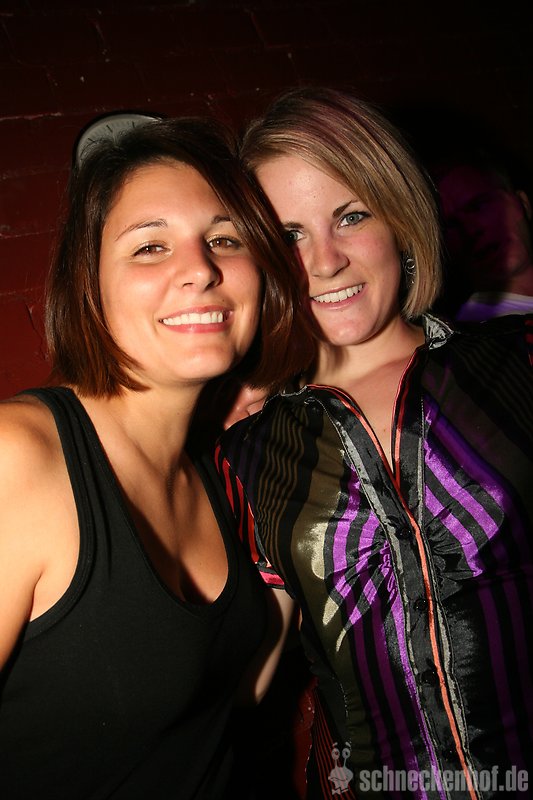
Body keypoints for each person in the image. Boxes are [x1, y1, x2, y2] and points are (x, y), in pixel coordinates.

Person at [216, 87, 533, 799]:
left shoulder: (518, 362)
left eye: (351, 216)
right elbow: (245, 677)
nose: (325, 261)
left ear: (399, 218)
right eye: (289, 234)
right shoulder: (246, 454)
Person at [0, 114, 309, 799]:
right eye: (149, 247)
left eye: (223, 239)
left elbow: (226, 702)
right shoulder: (18, 458)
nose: (199, 269)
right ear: (88, 285)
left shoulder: (214, 473)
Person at [432, 150, 533, 321]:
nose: (471, 229)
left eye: (478, 206)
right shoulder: (476, 331)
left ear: (522, 203)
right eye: (452, 224)